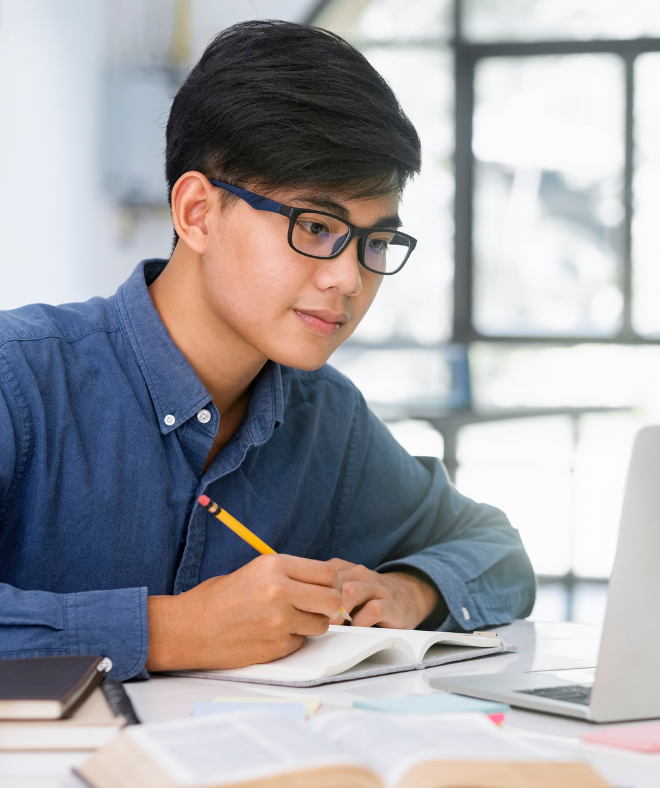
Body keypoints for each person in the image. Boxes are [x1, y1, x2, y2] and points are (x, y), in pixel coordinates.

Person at [0, 21, 535, 680]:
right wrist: (173, 630)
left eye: (375, 242)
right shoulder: (18, 379)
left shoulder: (327, 421)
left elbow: (495, 550)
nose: (349, 278)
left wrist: (408, 590)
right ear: (197, 213)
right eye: (315, 226)